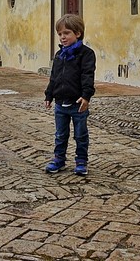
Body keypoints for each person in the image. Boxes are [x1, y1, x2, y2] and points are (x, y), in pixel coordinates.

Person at [43, 14, 96, 176]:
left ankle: (81, 161)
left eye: (66, 33)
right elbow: (54, 77)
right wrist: (49, 95)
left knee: (80, 134)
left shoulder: (86, 54)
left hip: (77, 103)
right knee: (60, 134)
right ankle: (59, 159)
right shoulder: (60, 55)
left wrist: (86, 96)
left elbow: (88, 75)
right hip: (60, 103)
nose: (62, 37)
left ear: (78, 33)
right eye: (60, 34)